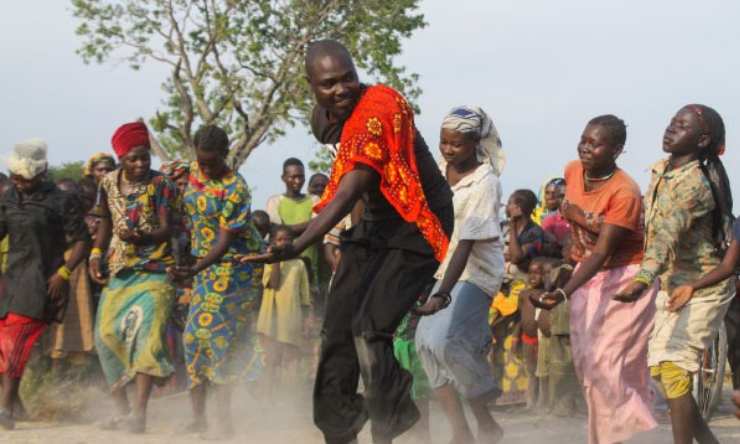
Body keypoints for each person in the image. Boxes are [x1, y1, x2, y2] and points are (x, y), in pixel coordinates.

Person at [248, 39, 453, 444]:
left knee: (368, 328)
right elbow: (349, 192)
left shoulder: (379, 107)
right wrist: (295, 231)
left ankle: (391, 417)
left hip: (418, 223)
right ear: (312, 87)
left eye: (348, 79)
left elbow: (351, 186)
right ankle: (339, 428)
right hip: (376, 226)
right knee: (337, 327)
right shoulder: (327, 118)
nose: (342, 89)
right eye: (329, 84)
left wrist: (301, 241)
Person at [532, 115, 657, 444]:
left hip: (625, 277)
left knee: (608, 361)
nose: (586, 147)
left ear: (616, 150)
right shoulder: (573, 170)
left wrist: (562, 293)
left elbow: (602, 252)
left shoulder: (625, 191)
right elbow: (578, 231)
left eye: (595, 143)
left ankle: (632, 431)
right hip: (587, 275)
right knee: (588, 365)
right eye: (584, 139)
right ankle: (617, 430)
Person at [615, 105, 735, 444]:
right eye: (672, 122)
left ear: (702, 140)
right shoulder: (662, 171)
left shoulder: (693, 183)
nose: (671, 129)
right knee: (663, 372)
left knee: (674, 368)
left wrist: (641, 280)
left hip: (705, 285)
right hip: (674, 282)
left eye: (681, 126)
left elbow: (665, 237)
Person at [412, 106, 504, 444]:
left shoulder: (486, 182)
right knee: (424, 344)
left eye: (457, 144)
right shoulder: (438, 172)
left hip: (476, 272)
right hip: (442, 268)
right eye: (444, 143)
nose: (449, 150)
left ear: (475, 143)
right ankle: (461, 432)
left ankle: (486, 416)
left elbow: (466, 243)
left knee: (445, 342)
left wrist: (440, 296)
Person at [168, 125, 263, 439]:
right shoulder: (192, 172)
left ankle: (224, 420)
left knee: (216, 339)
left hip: (236, 269)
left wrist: (193, 269)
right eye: (201, 161)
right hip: (204, 268)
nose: (205, 168)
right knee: (193, 339)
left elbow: (223, 242)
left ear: (225, 155)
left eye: (212, 162)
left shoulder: (236, 188)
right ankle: (199, 419)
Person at [90, 122, 178, 433]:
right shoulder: (108, 184)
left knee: (148, 338)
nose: (140, 164)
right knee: (105, 335)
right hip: (120, 269)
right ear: (121, 159)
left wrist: (141, 237)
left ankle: (139, 416)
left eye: (145, 158)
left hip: (157, 269)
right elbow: (104, 222)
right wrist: (95, 255)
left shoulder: (162, 185)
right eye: (133, 159)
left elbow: (168, 228)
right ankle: (122, 411)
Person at [0, 139, 89, 429]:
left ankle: (5, 410)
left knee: (15, 342)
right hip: (10, 278)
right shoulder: (8, 197)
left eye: (22, 176)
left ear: (40, 173)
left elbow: (81, 241)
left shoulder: (60, 200)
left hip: (42, 280)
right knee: (3, 345)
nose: (17, 180)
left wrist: (64, 274)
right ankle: (18, 406)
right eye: (14, 175)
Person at [46, 179, 96, 371]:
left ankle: (75, 380)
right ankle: (52, 376)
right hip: (54, 271)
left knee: (76, 326)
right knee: (55, 331)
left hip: (74, 272)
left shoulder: (84, 222)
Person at [256, 225, 311, 392]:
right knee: (271, 360)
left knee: (290, 361)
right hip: (270, 319)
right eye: (280, 240)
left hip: (290, 318)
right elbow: (273, 283)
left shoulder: (299, 264)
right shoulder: (269, 261)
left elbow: (305, 297)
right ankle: (269, 396)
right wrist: (276, 260)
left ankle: (288, 397)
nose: (284, 243)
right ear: (272, 242)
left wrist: (307, 319)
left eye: (288, 239)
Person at [519, 257, 547, 410]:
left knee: (542, 372)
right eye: (530, 273)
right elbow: (520, 316)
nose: (533, 276)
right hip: (527, 338)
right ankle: (530, 402)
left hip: (542, 339)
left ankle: (543, 402)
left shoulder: (547, 295)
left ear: (545, 275)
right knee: (530, 371)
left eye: (538, 273)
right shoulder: (523, 294)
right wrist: (516, 337)